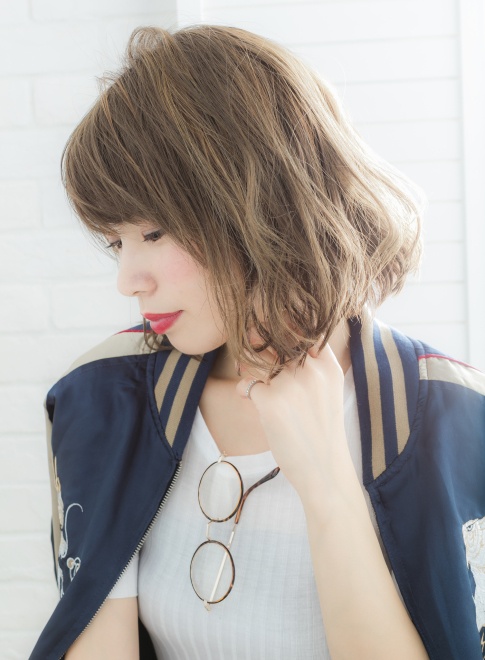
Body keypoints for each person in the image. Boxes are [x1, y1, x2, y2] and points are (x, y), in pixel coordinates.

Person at [30, 24, 484, 660]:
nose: (128, 279)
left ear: (263, 201)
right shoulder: (105, 396)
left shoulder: (456, 418)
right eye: (116, 241)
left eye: (154, 233)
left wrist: (326, 482)